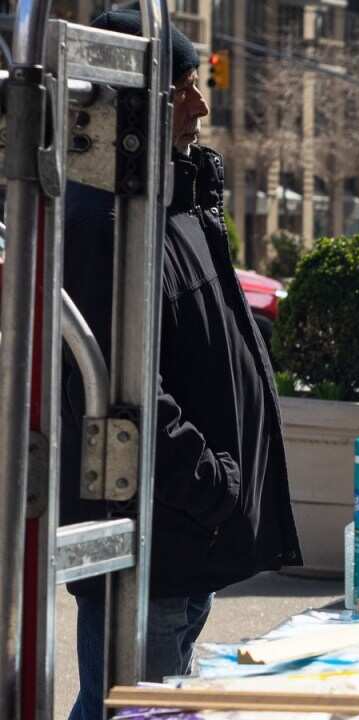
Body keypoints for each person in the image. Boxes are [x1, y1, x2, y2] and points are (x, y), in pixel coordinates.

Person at [61, 10, 301, 719]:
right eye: (183, 89)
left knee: (139, 706)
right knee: (131, 709)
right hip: (158, 542)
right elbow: (117, 391)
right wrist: (212, 489)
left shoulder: (176, 198)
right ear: (132, 101)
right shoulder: (102, 221)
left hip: (186, 540)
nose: (201, 103)